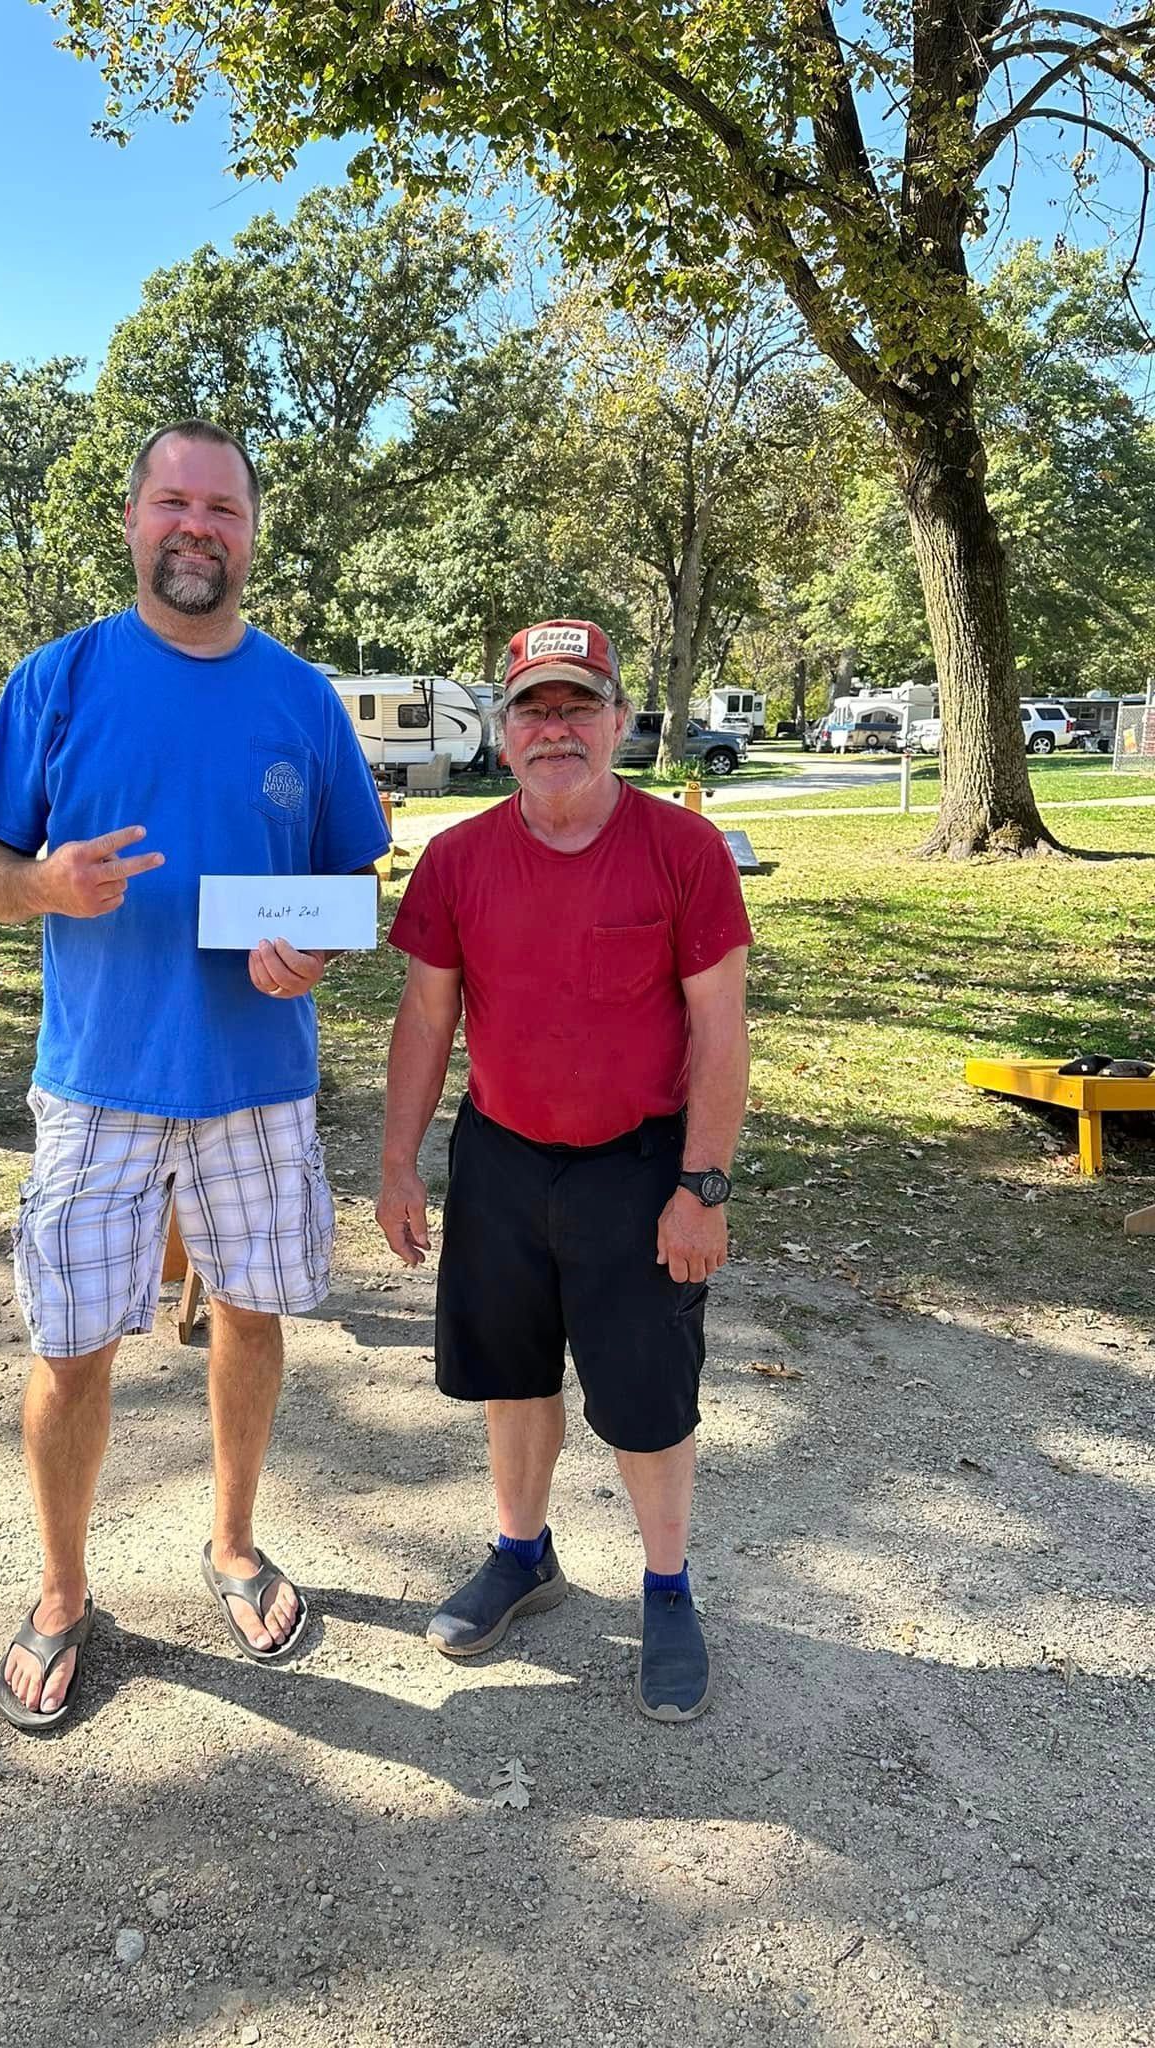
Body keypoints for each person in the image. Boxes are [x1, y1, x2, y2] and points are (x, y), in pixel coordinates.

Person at [0, 419, 389, 1731]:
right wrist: (38, 883)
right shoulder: (60, 681)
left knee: (250, 1319)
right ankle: (61, 1590)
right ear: (135, 520)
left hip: (257, 1085)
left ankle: (236, 1545)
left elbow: (351, 880)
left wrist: (308, 947)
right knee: (73, 1345)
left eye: (224, 510)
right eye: (173, 504)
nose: (198, 527)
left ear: (253, 533)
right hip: (96, 1084)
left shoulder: (302, 700)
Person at [376, 619, 751, 1720]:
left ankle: (669, 1587)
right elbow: (425, 1016)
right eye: (533, 709)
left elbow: (722, 1031)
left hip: (641, 1169)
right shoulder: (458, 857)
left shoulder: (684, 853)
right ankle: (522, 1553)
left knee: (646, 1398)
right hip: (500, 1156)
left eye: (577, 706)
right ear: (503, 730)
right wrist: (400, 1162)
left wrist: (704, 1183)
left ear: (620, 722)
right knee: (512, 1373)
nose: (555, 729)